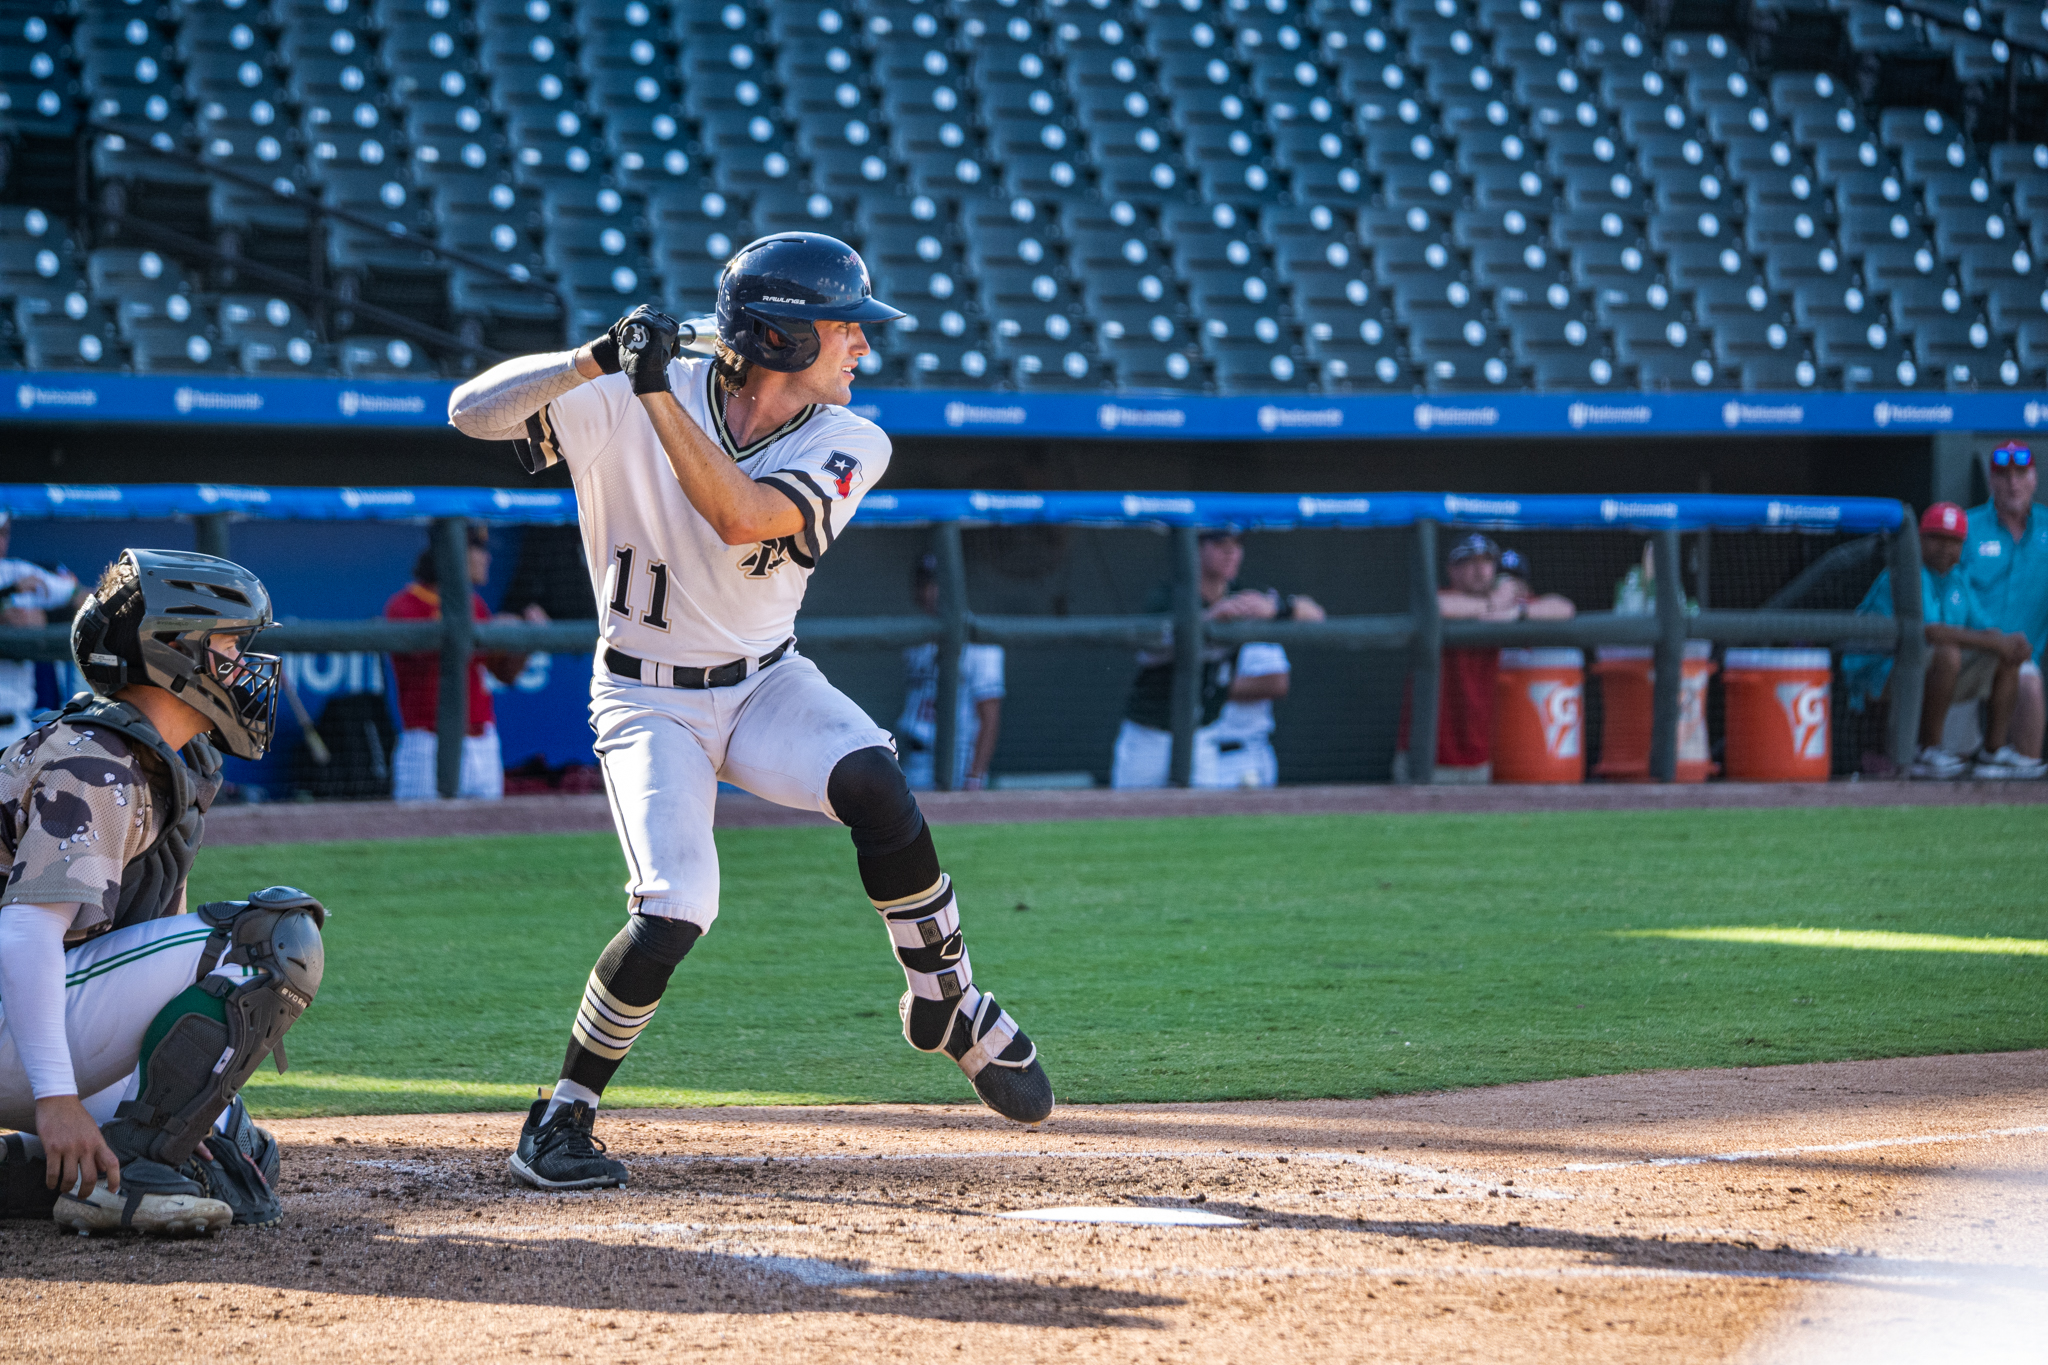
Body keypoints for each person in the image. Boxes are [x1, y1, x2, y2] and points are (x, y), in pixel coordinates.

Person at [447, 233, 1053, 1191]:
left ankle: (948, 999)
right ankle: (560, 1118)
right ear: (781, 338)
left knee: (872, 776)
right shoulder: (627, 392)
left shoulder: (850, 437)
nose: (864, 347)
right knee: (676, 905)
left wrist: (650, 386)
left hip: (765, 680)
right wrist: (594, 359)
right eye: (845, 328)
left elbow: (741, 514)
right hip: (646, 695)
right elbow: (468, 412)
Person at [0, 550, 327, 1235]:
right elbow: (26, 932)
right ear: (174, 653)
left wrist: (179, 1113)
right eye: (228, 646)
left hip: (19, 1017)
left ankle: (39, 1172)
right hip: (14, 1009)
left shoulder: (155, 758)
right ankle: (123, 1169)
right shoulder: (98, 764)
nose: (243, 665)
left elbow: (147, 939)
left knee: (237, 1146)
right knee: (270, 940)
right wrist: (58, 1099)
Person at [1109, 527, 1325, 789]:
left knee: (1202, 812)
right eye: (1221, 545)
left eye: (1237, 545)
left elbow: (1315, 615)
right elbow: (1149, 649)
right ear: (1196, 549)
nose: (1231, 553)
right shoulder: (1168, 596)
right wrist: (1209, 619)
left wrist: (1276, 608)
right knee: (1135, 811)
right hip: (1151, 734)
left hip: (1202, 734)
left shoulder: (1241, 594)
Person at [1843, 503, 2043, 779]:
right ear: (1920, 539)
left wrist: (2010, 642)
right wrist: (1997, 643)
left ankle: (1993, 752)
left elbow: (1984, 627)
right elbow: (1931, 633)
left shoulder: (1957, 579)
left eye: (1954, 541)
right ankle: (1927, 749)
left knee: (2005, 656)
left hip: (1920, 669)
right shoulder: (1906, 574)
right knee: (1947, 653)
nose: (1945, 548)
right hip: (1874, 673)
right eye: (1936, 538)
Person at [384, 525, 549, 801]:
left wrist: (525, 640)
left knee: (489, 828)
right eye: (478, 550)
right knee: (420, 827)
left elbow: (504, 674)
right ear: (453, 553)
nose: (487, 558)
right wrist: (491, 630)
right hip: (429, 745)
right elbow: (436, 655)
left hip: (482, 742)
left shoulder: (474, 604)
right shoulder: (406, 604)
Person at [1399, 533, 1575, 781]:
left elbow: (1564, 608)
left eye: (1486, 561)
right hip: (1428, 755)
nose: (1479, 570)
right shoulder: (1445, 598)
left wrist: (1517, 611)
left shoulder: (1506, 605)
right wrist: (1495, 603)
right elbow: (1437, 606)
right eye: (1469, 562)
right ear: (1452, 570)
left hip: (1479, 757)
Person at [1961, 441, 2048, 768]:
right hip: (1970, 652)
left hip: (2023, 657)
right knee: (1952, 758)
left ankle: (2024, 782)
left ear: (2034, 478)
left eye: (2020, 474)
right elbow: (1953, 591)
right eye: (2003, 475)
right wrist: (1993, 640)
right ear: (1990, 480)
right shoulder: (1966, 527)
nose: (2013, 483)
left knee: (2029, 681)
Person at [897, 553, 1004, 791]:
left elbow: (989, 718)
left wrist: (975, 776)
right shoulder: (917, 640)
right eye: (924, 584)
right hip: (914, 756)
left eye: (937, 584)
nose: (929, 592)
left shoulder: (980, 642)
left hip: (958, 759)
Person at [0, 510, 83, 750]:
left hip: (13, 728)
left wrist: (47, 617)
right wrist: (7, 596)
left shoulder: (17, 571)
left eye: (3, 533)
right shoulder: (15, 583)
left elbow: (83, 597)